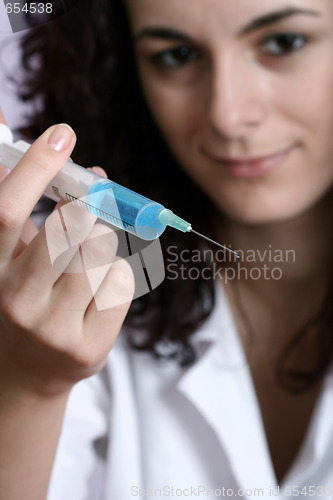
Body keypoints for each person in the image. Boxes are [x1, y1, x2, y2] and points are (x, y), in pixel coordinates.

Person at [0, 0, 333, 498]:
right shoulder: (71, 279)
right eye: (176, 55)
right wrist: (31, 386)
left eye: (283, 43)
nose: (228, 116)